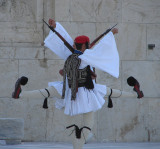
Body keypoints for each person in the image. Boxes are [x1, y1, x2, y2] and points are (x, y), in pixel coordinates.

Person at [12, 19, 143, 149]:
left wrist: (56, 27)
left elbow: (64, 41)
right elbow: (100, 49)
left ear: (75, 46)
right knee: (91, 120)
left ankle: (21, 94)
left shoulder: (70, 56)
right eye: (88, 45)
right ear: (85, 46)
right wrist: (110, 35)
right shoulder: (86, 57)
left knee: (50, 92)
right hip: (84, 93)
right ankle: (135, 94)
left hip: (68, 89)